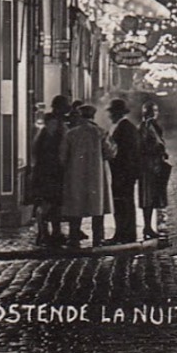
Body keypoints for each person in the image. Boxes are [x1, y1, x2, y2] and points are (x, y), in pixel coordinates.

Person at [60, 103, 114, 247]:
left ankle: (74, 238)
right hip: (97, 177)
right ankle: (98, 239)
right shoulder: (100, 132)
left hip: (75, 176)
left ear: (80, 115)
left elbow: (62, 157)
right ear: (93, 116)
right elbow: (109, 153)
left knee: (75, 207)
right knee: (97, 208)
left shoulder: (71, 133)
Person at [28, 95, 70, 246]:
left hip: (49, 170)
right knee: (47, 203)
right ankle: (43, 233)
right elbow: (57, 149)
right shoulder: (53, 125)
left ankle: (54, 232)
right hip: (49, 171)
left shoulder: (53, 125)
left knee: (55, 203)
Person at [105, 99, 140, 243]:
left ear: (118, 113)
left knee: (122, 203)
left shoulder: (125, 128)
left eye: (112, 113)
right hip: (124, 172)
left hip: (123, 172)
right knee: (124, 202)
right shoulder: (125, 127)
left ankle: (124, 233)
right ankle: (125, 233)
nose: (110, 116)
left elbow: (126, 153)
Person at [137, 100, 170, 239]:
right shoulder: (145, 127)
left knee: (154, 196)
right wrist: (157, 150)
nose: (154, 114)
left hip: (155, 164)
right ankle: (147, 226)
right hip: (147, 166)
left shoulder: (154, 126)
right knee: (147, 198)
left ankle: (148, 226)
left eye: (155, 111)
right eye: (151, 111)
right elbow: (143, 145)